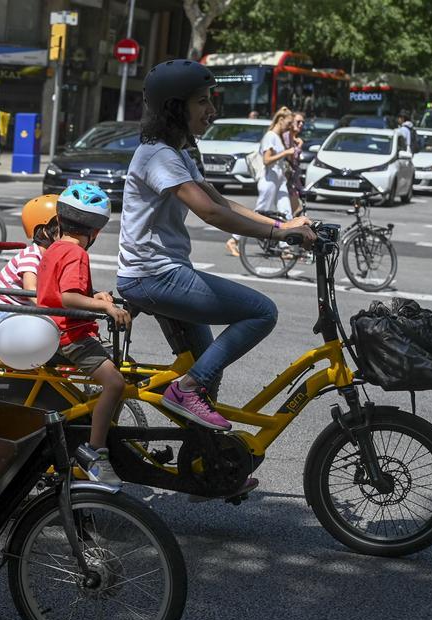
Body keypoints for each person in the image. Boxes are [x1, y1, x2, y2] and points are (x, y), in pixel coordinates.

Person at [116, 59, 314, 440]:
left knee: (208, 369)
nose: (212, 111)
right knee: (261, 312)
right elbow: (209, 212)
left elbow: (219, 200)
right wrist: (278, 236)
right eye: (202, 102)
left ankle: (207, 462)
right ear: (175, 108)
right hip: (152, 275)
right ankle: (185, 391)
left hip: (164, 273)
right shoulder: (158, 155)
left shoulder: (178, 153)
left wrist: (282, 224)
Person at [35, 183, 128, 485]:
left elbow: (60, 291)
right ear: (96, 232)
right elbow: (68, 297)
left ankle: (92, 427)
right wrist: (107, 309)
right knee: (115, 383)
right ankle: (96, 450)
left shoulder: (55, 248)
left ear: (59, 221)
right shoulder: (76, 254)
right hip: (71, 336)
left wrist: (96, 295)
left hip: (53, 329)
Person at [0, 194, 58, 332]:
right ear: (45, 231)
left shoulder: (51, 256)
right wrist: (56, 311)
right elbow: (30, 290)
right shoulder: (32, 255)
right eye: (63, 228)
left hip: (18, 311)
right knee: (42, 332)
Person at [228, 106, 296, 256]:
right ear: (280, 120)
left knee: (286, 213)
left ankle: (285, 247)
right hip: (269, 180)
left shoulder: (279, 138)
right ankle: (234, 239)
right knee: (258, 215)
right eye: (289, 123)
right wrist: (285, 152)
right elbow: (266, 160)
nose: (290, 126)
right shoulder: (270, 136)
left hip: (279, 180)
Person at [284, 111, 306, 216]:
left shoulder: (292, 138)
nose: (301, 124)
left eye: (303, 122)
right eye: (298, 122)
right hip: (284, 182)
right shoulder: (286, 136)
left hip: (291, 183)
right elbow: (290, 158)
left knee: (295, 211)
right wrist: (299, 146)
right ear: (291, 122)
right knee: (295, 211)